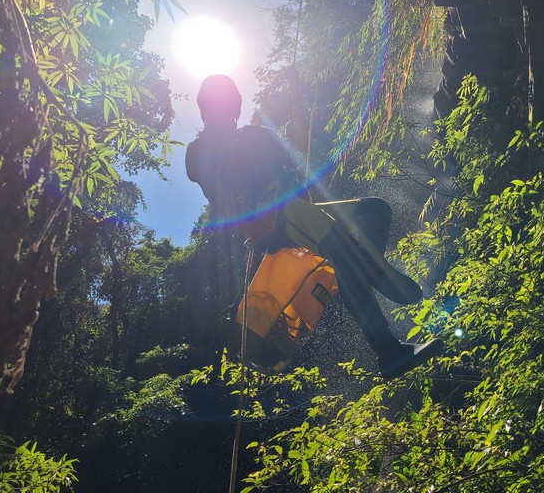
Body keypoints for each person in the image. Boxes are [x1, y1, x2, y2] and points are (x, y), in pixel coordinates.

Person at [185, 73, 443, 379]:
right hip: (268, 220)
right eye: (215, 106)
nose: (224, 111)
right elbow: (218, 194)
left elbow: (290, 149)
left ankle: (370, 267)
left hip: (296, 211)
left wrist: (298, 110)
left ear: (237, 109)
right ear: (204, 111)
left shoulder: (254, 135)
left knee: (374, 210)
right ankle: (388, 349)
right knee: (340, 247)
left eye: (229, 105)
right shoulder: (200, 151)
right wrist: (249, 233)